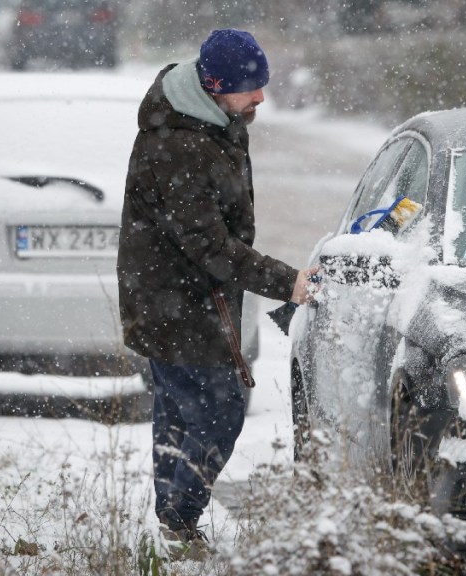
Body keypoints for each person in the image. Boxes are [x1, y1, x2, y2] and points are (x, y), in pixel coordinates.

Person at [116, 29, 317, 557]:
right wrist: (289, 283)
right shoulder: (178, 145)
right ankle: (180, 519)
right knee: (220, 409)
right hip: (178, 301)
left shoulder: (213, 122)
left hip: (182, 297)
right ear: (216, 84)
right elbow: (209, 244)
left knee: (180, 410)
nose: (260, 99)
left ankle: (173, 523)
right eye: (251, 88)